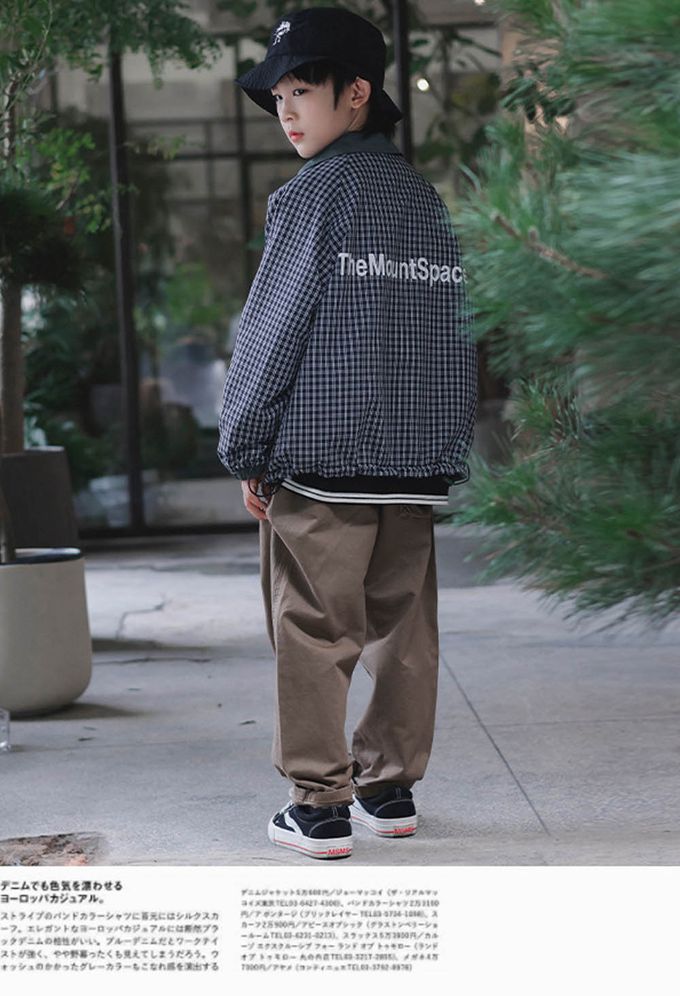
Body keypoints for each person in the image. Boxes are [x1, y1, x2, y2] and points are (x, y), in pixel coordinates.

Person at [218, 6, 477, 860]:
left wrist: (246, 445)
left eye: (302, 91)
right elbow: (455, 334)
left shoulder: (311, 196)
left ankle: (319, 804)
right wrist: (443, 446)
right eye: (278, 97)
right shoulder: (425, 200)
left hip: (324, 460)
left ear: (357, 92)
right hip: (412, 464)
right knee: (404, 631)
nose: (286, 112)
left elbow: (272, 329)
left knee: (312, 630)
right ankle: (390, 789)